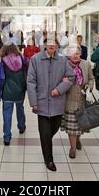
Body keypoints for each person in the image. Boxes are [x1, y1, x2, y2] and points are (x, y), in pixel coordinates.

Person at [27, 38, 75, 171]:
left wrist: (59, 89)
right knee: (44, 132)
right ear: (45, 44)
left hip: (57, 103)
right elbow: (30, 81)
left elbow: (71, 77)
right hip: (41, 103)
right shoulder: (35, 59)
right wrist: (33, 102)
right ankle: (49, 160)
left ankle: (45, 140)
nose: (51, 45)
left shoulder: (62, 60)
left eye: (54, 43)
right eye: (49, 43)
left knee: (52, 129)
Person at [60, 46, 94, 159]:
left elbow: (91, 78)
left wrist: (89, 86)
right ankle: (72, 148)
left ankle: (77, 139)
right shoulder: (63, 65)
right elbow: (57, 79)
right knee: (72, 127)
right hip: (69, 100)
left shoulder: (86, 64)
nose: (75, 56)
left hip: (82, 100)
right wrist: (62, 80)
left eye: (77, 53)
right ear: (69, 55)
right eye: (73, 54)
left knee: (80, 125)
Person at [0, 42, 27, 145]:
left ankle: (7, 137)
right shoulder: (22, 59)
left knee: (7, 114)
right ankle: (21, 126)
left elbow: (2, 77)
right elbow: (25, 74)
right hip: (20, 90)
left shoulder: (3, 60)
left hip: (7, 91)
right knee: (20, 109)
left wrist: (1, 89)